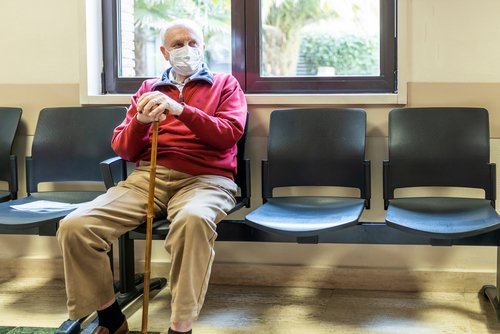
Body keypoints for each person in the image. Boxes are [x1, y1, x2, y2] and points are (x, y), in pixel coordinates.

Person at [57, 18, 247, 334]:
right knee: (76, 226)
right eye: (177, 44)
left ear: (202, 46)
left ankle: (180, 326)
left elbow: (228, 135)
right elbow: (124, 149)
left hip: (207, 180)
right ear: (163, 52)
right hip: (149, 177)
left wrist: (181, 110)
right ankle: (110, 317)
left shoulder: (225, 84)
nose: (186, 49)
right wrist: (141, 122)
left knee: (193, 220)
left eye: (193, 42)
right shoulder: (148, 88)